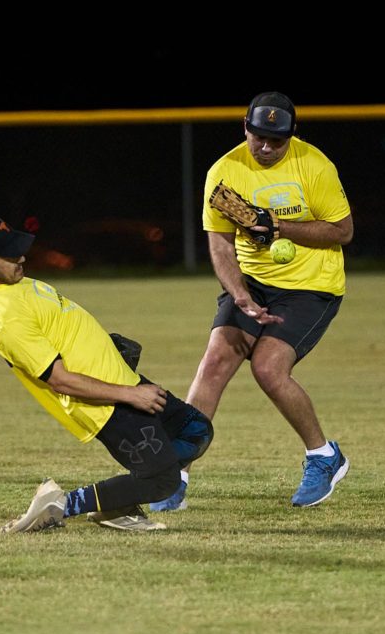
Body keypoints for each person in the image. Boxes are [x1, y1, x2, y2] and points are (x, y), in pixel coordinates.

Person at [150, 91, 353, 514]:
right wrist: (239, 293)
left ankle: (323, 456)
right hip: (253, 283)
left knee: (268, 368)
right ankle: (175, 474)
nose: (265, 147)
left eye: (276, 140)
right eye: (258, 136)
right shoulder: (225, 172)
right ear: (245, 127)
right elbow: (221, 245)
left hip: (311, 286)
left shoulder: (315, 165)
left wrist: (278, 226)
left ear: (292, 135)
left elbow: (342, 231)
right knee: (215, 360)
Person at [0, 213, 213, 533]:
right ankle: (60, 505)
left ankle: (119, 502)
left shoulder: (10, 285)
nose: (21, 257)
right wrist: (131, 395)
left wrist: (105, 347)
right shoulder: (4, 317)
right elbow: (59, 380)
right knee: (163, 481)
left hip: (121, 380)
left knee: (195, 430)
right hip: (107, 403)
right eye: (10, 255)